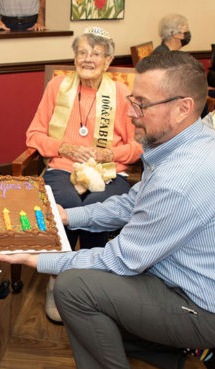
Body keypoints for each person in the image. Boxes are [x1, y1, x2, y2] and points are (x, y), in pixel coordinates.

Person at [0, 51, 215, 369]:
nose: (131, 113)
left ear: (183, 107)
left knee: (74, 290)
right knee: (101, 326)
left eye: (142, 104)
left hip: (201, 307)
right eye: (133, 100)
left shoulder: (185, 175)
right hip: (196, 290)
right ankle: (212, 354)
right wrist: (68, 218)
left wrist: (35, 258)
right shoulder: (189, 142)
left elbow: (119, 260)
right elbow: (134, 202)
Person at [25, 26, 142, 321]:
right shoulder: (58, 87)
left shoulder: (121, 92)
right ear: (75, 57)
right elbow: (34, 135)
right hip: (63, 167)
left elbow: (138, 146)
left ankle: (89, 283)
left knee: (98, 208)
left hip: (109, 171)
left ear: (108, 59)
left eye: (96, 53)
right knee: (64, 205)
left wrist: (109, 154)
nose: (88, 59)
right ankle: (56, 280)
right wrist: (63, 147)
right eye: (82, 52)